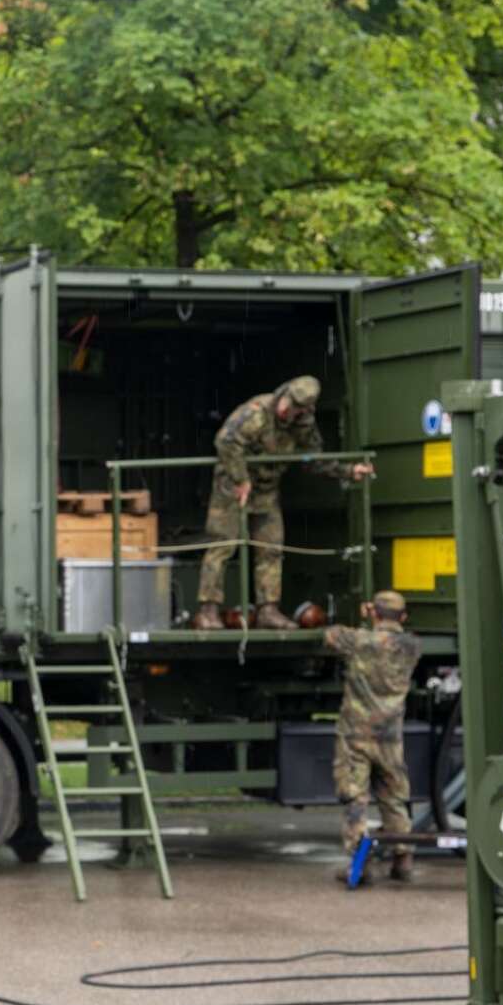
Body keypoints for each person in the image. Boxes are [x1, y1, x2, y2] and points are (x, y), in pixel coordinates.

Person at [192, 375, 375, 631]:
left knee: (271, 549)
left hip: (266, 490)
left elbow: (314, 457)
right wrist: (241, 479)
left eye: (295, 408)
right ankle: (208, 611)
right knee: (222, 545)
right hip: (232, 487)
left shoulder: (304, 425)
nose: (285, 410)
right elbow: (225, 442)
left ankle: (269, 609)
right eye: (287, 402)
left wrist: (347, 470)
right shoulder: (256, 412)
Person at [322, 590, 424, 886]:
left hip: (357, 734)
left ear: (373, 613)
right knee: (394, 796)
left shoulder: (360, 641)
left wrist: (362, 619)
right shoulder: (412, 646)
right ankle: (403, 858)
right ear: (403, 617)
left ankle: (359, 864)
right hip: (390, 736)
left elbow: (330, 635)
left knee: (356, 798)